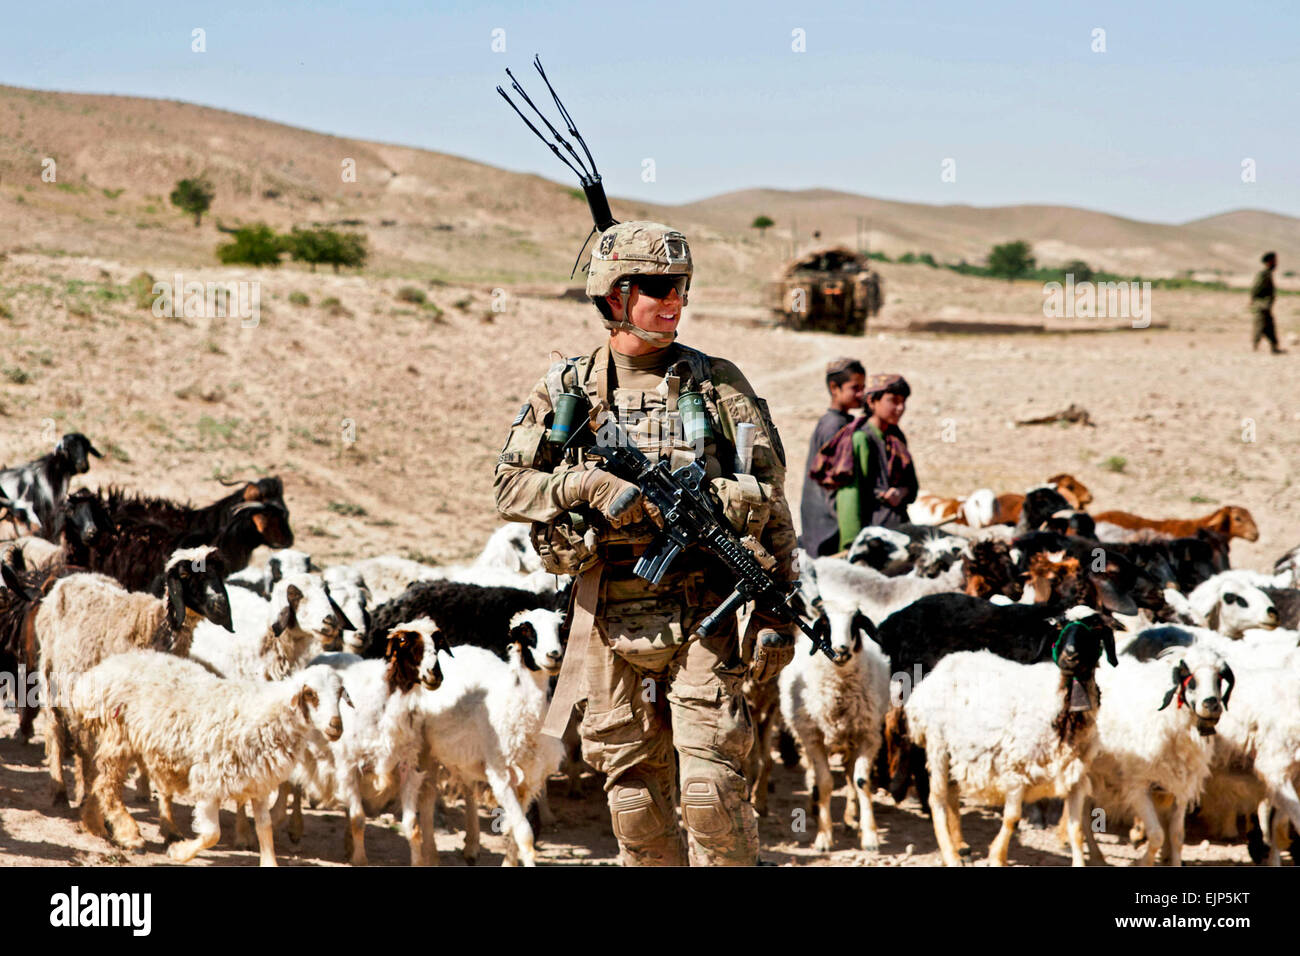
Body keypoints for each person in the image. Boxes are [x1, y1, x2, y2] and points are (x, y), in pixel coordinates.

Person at [493, 220, 798, 866]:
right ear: (614, 295)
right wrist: (589, 487)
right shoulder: (568, 389)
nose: (675, 300)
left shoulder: (717, 384)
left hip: (703, 611)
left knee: (713, 794)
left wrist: (777, 612)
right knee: (634, 806)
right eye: (658, 286)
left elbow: (771, 501)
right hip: (606, 618)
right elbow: (510, 487)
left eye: (681, 286)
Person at [811, 373, 918, 545]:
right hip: (873, 537)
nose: (900, 408)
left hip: (899, 529)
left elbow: (912, 486)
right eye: (893, 400)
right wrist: (853, 543)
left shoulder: (896, 437)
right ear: (871, 402)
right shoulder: (859, 438)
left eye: (903, 401)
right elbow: (849, 496)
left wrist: (900, 493)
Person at [798, 358, 865, 556]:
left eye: (863, 387)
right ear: (834, 388)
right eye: (855, 388)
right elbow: (834, 481)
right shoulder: (833, 426)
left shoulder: (841, 421)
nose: (861, 394)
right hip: (827, 522)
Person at [1251, 252, 1285, 354]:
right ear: (1269, 262)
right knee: (1260, 327)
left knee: (1269, 327)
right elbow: (1256, 289)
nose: (1276, 263)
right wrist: (1259, 302)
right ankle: (1255, 348)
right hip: (1262, 306)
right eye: (1274, 261)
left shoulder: (1268, 274)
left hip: (1265, 306)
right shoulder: (1263, 274)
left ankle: (1274, 348)